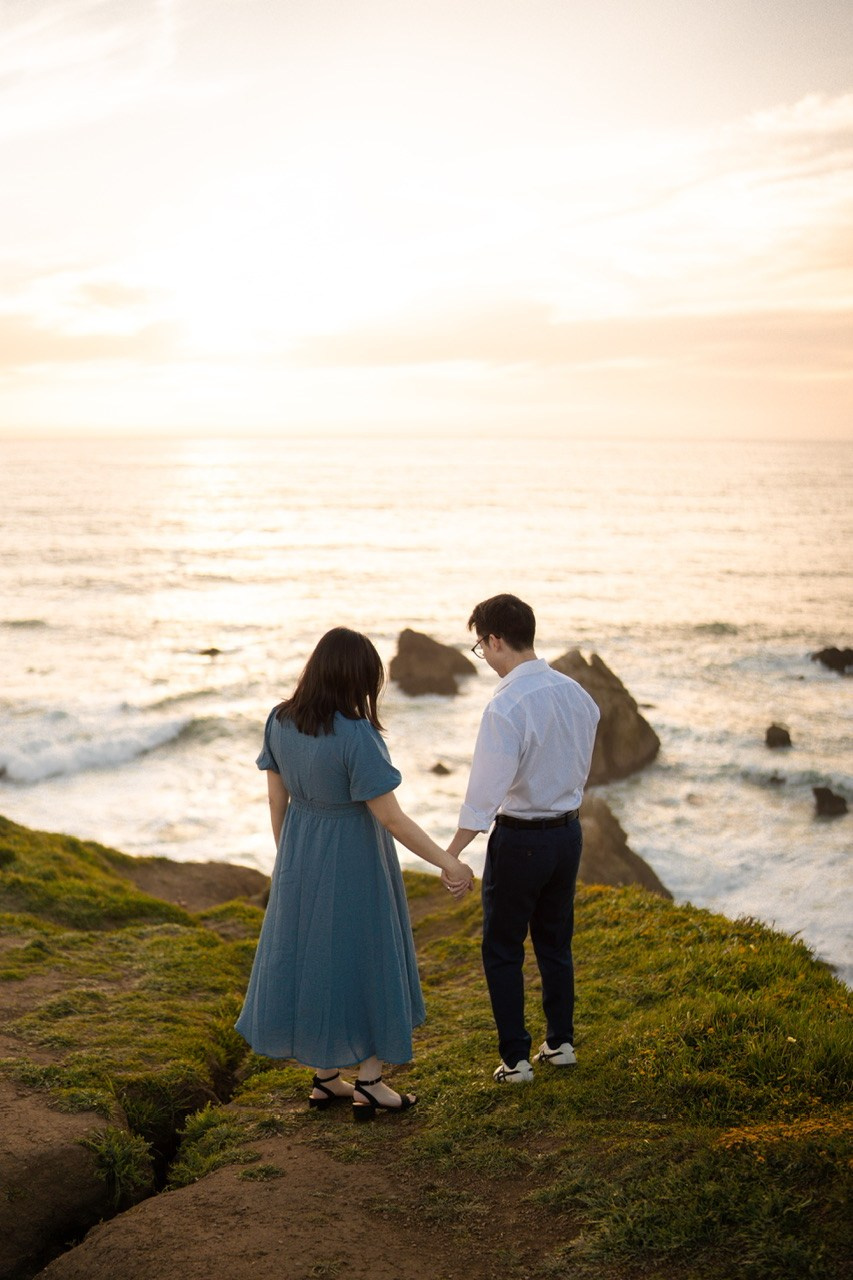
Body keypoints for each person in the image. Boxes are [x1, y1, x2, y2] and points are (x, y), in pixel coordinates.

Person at [235, 627, 474, 1118]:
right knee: (364, 958)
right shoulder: (357, 736)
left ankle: (326, 1078)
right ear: (358, 679)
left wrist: (291, 862)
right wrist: (447, 861)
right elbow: (390, 818)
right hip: (354, 856)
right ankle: (369, 1082)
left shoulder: (279, 721)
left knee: (318, 960)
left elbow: (275, 802)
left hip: (301, 850)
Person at [442, 594, 600, 1084]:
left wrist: (452, 853)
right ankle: (561, 1043)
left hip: (521, 841)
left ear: (494, 640)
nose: (483, 657)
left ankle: (515, 1061)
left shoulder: (506, 705)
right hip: (568, 835)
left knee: (504, 948)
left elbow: (484, 796)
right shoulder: (579, 694)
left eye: (480, 647)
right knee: (555, 942)